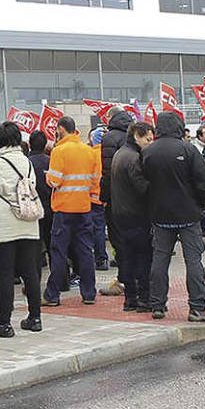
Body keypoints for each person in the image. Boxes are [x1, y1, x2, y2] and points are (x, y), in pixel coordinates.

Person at [142, 112, 205, 321]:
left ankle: (157, 305)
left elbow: (143, 182)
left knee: (160, 259)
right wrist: (200, 204)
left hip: (160, 214)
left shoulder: (149, 152)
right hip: (188, 214)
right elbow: (204, 180)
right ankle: (196, 307)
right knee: (193, 261)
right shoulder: (188, 149)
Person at [0, 122, 43, 337]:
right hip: (28, 222)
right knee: (30, 273)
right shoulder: (27, 162)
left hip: (4, 226)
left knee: (5, 274)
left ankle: (4, 323)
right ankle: (35, 318)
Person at [42, 116, 100, 306]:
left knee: (59, 252)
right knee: (85, 251)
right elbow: (93, 181)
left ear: (60, 129)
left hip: (64, 209)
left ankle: (52, 295)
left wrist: (48, 177)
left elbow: (54, 181)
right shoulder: (88, 151)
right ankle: (89, 293)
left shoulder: (59, 151)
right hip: (84, 208)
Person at [110, 121, 155, 312]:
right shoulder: (134, 158)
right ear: (136, 135)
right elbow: (142, 188)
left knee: (127, 257)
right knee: (143, 258)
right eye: (148, 139)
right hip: (136, 214)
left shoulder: (120, 153)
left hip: (120, 213)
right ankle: (144, 299)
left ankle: (130, 299)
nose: (150, 142)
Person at [101, 107, 132, 270]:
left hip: (116, 194)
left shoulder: (109, 138)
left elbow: (107, 171)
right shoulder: (134, 134)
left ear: (111, 117)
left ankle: (124, 269)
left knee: (116, 232)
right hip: (134, 192)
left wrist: (104, 197)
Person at [28, 131, 53, 272]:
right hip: (51, 206)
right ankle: (61, 279)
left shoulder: (27, 162)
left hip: (33, 208)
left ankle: (34, 281)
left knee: (35, 248)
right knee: (53, 246)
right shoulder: (51, 161)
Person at [88, 127, 109, 271]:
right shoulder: (109, 153)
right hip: (109, 197)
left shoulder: (89, 154)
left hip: (93, 198)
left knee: (98, 230)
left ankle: (100, 259)